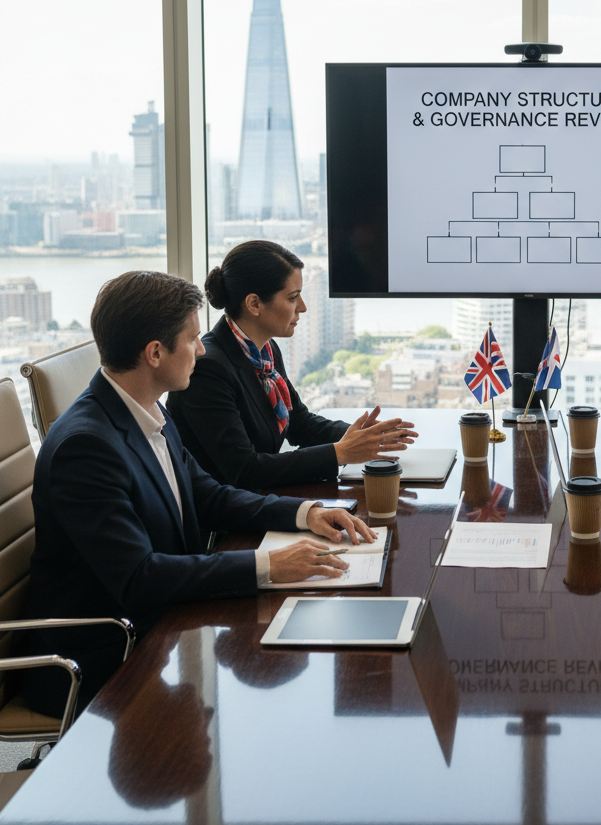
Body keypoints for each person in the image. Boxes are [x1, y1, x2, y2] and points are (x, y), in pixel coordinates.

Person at [23, 270, 377, 718]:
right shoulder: (86, 447)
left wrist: (306, 513)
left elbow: (207, 495)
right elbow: (139, 578)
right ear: (155, 353)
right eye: (192, 339)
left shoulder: (145, 408)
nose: (203, 349)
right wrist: (267, 565)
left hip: (164, 622)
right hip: (107, 655)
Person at [167, 240, 416, 492]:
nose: (303, 307)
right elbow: (245, 470)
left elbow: (299, 423)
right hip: (224, 522)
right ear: (254, 304)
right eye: (293, 297)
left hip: (262, 500)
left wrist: (364, 436)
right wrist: (340, 453)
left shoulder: (265, 350)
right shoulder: (209, 369)